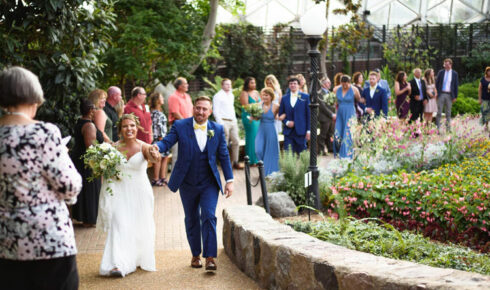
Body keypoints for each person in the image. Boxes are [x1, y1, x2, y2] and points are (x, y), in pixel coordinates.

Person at [0, 66, 82, 289]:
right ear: (33, 97)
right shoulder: (43, 133)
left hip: (6, 243)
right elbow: (69, 186)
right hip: (48, 239)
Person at [155, 96, 234, 272]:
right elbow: (167, 141)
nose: (201, 112)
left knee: (208, 215)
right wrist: (156, 147)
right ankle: (196, 255)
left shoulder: (218, 129)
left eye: (205, 109)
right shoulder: (180, 126)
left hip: (209, 183)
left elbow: (224, 156)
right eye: (198, 108)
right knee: (191, 219)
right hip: (187, 183)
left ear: (210, 111)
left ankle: (210, 257)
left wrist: (229, 180)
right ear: (193, 108)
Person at [97, 114, 161, 277]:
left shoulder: (145, 147)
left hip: (140, 193)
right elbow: (105, 170)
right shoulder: (112, 147)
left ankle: (136, 257)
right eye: (125, 126)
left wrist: (155, 153)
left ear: (137, 127)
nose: (129, 129)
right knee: (118, 224)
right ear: (120, 130)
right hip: (119, 192)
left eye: (132, 125)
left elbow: (155, 158)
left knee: (139, 226)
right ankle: (117, 264)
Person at [70, 99, 104, 227]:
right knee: (90, 189)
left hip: (79, 159)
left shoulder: (80, 122)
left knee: (87, 189)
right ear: (90, 110)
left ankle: (85, 217)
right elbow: (91, 148)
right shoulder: (89, 126)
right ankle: (89, 219)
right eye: (95, 108)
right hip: (87, 162)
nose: (96, 111)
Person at [213, 78, 243, 169]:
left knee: (236, 141)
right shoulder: (217, 96)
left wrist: (235, 120)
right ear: (222, 85)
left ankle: (235, 162)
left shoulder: (231, 95)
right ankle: (224, 163)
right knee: (224, 143)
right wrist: (220, 123)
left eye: (230, 84)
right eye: (226, 84)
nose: (229, 86)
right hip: (223, 121)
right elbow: (215, 111)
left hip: (233, 121)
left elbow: (231, 109)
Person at [279, 76, 310, 154]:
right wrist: (287, 122)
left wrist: (308, 131)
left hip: (301, 131)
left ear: (299, 85)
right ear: (289, 86)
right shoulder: (284, 98)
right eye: (291, 84)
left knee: (302, 154)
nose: (292, 85)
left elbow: (308, 115)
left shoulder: (305, 97)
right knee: (288, 155)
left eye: (295, 84)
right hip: (288, 132)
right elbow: (280, 114)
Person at [333, 75, 362, 159]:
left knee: (347, 133)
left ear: (349, 83)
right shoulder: (336, 89)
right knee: (337, 133)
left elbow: (358, 99)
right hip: (340, 113)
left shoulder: (354, 89)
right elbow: (334, 100)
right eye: (343, 84)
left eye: (346, 84)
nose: (345, 86)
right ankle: (338, 152)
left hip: (350, 113)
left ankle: (346, 155)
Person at [168, 77, 193, 169]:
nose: (187, 85)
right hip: (178, 127)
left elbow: (191, 111)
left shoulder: (188, 96)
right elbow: (175, 113)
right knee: (177, 154)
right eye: (185, 84)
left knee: (188, 153)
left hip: (189, 127)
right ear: (179, 86)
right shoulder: (173, 97)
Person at [255, 88, 280, 176]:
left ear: (271, 96)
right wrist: (253, 117)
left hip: (271, 129)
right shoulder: (258, 105)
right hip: (261, 129)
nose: (264, 97)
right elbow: (257, 117)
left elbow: (278, 117)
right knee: (258, 150)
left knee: (271, 151)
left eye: (266, 95)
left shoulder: (276, 106)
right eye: (263, 95)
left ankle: (269, 172)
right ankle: (263, 168)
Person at [150, 92, 170, 186]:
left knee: (165, 157)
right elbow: (156, 127)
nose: (163, 99)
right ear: (157, 100)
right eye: (161, 97)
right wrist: (161, 138)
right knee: (158, 158)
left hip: (164, 138)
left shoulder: (160, 112)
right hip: (159, 139)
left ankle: (163, 177)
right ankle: (155, 179)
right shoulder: (155, 113)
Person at [240, 77, 261, 165]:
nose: (254, 84)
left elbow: (261, 103)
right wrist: (257, 104)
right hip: (248, 117)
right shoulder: (244, 93)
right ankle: (251, 160)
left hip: (257, 117)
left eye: (254, 82)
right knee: (251, 137)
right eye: (251, 83)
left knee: (257, 137)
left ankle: (257, 158)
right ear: (247, 84)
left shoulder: (256, 92)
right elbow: (245, 106)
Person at [435, 58, 459, 132]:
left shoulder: (454, 73)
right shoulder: (441, 72)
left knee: (448, 113)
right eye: (445, 64)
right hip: (441, 94)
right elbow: (437, 83)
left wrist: (455, 96)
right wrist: (436, 93)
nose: (446, 66)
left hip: (449, 95)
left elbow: (456, 85)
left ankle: (448, 129)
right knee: (439, 112)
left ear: (451, 65)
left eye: (448, 64)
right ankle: (437, 128)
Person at [318, 76, 335, 155]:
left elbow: (333, 104)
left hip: (331, 117)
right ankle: (321, 150)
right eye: (328, 82)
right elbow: (322, 106)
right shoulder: (319, 93)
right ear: (323, 84)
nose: (330, 84)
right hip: (324, 117)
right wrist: (331, 114)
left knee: (330, 134)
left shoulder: (330, 93)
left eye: (329, 82)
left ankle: (330, 148)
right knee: (323, 134)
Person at [478, 66, 490, 133]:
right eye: (488, 71)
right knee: (485, 112)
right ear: (486, 72)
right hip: (484, 99)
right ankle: (486, 125)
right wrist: (479, 99)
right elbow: (479, 89)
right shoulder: (483, 79)